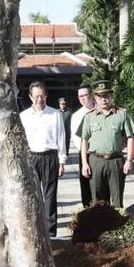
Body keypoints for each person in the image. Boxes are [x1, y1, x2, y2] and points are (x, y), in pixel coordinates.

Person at [20, 81, 67, 237]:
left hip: (50, 157)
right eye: (36, 96)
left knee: (50, 195)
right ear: (30, 97)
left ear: (46, 96)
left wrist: (62, 161)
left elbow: (61, 138)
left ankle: (50, 231)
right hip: (31, 158)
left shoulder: (55, 114)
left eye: (42, 95)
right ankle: (32, 228)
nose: (39, 99)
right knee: (30, 194)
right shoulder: (24, 116)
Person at [80, 80, 134, 208]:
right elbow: (84, 141)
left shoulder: (122, 114)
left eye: (107, 95)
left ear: (112, 96)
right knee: (97, 201)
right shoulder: (89, 117)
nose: (103, 99)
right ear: (95, 97)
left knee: (117, 201)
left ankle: (116, 228)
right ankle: (100, 228)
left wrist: (129, 160)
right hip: (96, 161)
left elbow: (130, 137)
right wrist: (84, 163)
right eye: (100, 96)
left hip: (115, 161)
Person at [71, 83, 95, 207]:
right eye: (81, 96)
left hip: (101, 154)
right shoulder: (76, 116)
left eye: (86, 95)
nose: (84, 98)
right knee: (86, 187)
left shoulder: (102, 110)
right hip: (85, 154)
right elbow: (76, 139)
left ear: (92, 95)